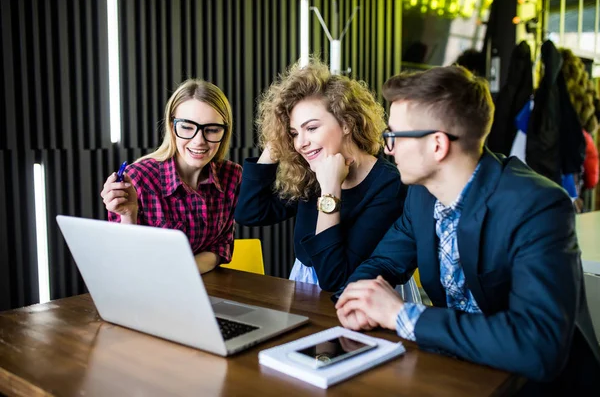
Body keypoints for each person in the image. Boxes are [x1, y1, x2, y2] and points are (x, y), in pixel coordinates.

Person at [334, 66, 600, 395]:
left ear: (437, 145)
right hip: (457, 372)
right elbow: (383, 262)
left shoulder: (538, 206)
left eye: (394, 136)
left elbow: (537, 347)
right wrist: (360, 298)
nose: (387, 148)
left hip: (534, 385)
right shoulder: (420, 195)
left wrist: (404, 315)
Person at [234, 60, 407, 292]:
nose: (301, 143)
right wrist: (275, 145)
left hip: (359, 297)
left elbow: (336, 278)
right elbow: (250, 212)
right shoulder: (309, 171)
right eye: (294, 133)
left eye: (312, 128)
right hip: (304, 288)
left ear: (346, 123)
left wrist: (330, 190)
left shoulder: (388, 185)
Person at [100, 79, 242, 274]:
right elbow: (123, 264)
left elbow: (221, 245)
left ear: (224, 132)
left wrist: (183, 272)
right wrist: (128, 215)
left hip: (201, 288)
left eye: (212, 129)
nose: (199, 141)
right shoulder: (138, 178)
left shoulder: (232, 176)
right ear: (171, 126)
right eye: (187, 127)